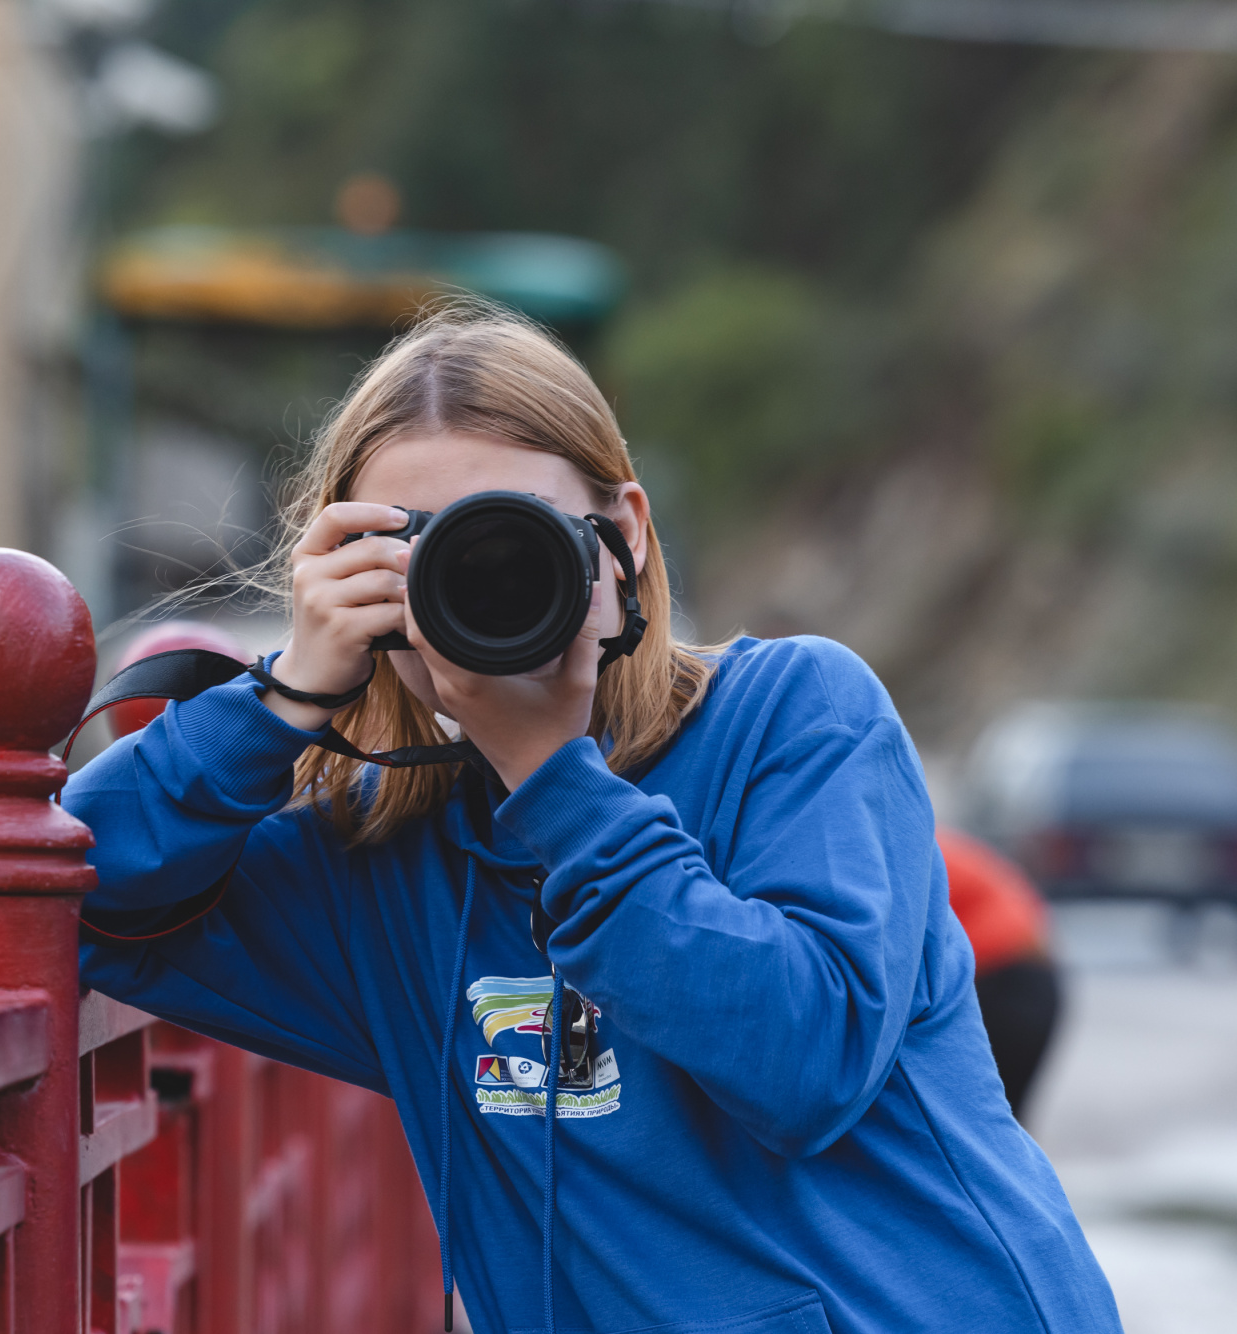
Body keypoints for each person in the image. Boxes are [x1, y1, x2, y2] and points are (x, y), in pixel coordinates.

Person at [67, 309, 1119, 1334]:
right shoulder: (378, 859)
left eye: (513, 533)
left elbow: (806, 1060)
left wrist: (549, 777)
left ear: (624, 537)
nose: (475, 577)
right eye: (413, 548)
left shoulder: (796, 715)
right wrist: (284, 695)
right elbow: (74, 891)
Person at [938, 827, 1061, 1122]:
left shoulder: (895, 853)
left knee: (976, 1123)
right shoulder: (925, 839)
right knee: (1000, 1123)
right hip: (1035, 977)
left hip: (1004, 980)